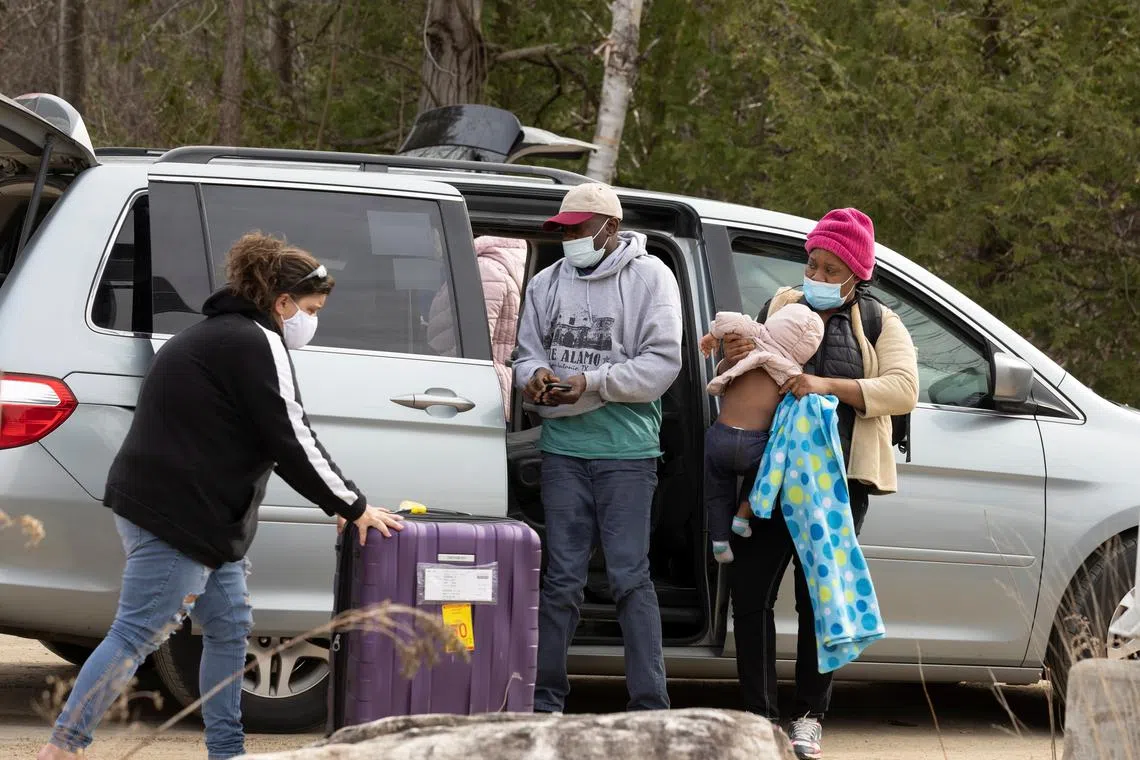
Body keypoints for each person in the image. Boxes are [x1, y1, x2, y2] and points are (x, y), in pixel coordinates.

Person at [39, 233, 405, 760]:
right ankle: (63, 748)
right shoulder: (254, 342)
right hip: (179, 516)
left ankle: (226, 751)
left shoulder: (215, 336)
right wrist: (353, 505)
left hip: (195, 517)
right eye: (310, 309)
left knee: (230, 625)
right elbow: (291, 436)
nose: (312, 320)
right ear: (281, 303)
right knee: (138, 631)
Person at [720, 208, 918, 760]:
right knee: (752, 593)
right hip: (773, 475)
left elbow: (902, 389)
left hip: (838, 483)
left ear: (858, 274)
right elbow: (755, 360)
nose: (819, 277)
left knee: (818, 597)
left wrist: (824, 384)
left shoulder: (880, 324)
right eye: (813, 263)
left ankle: (808, 715)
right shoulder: (783, 305)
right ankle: (757, 718)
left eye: (832, 269)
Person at [514, 182, 683, 713]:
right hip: (563, 447)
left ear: (610, 227)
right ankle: (544, 703)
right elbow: (525, 355)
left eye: (579, 230)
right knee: (561, 578)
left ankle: (650, 706)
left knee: (630, 576)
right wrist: (534, 377)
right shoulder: (546, 282)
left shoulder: (652, 277)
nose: (570, 239)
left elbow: (662, 365)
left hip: (627, 455)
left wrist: (592, 383)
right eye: (563, 231)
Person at [699, 304, 824, 563]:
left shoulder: (753, 338)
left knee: (717, 489)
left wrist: (713, 336)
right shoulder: (793, 373)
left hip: (720, 436)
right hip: (755, 444)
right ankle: (743, 516)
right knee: (766, 473)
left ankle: (719, 541)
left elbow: (728, 319)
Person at [427, 236, 528, 421]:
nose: (433, 241)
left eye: (433, 234)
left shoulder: (484, 269)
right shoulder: (515, 260)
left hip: (480, 393)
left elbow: (472, 346)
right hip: (503, 386)